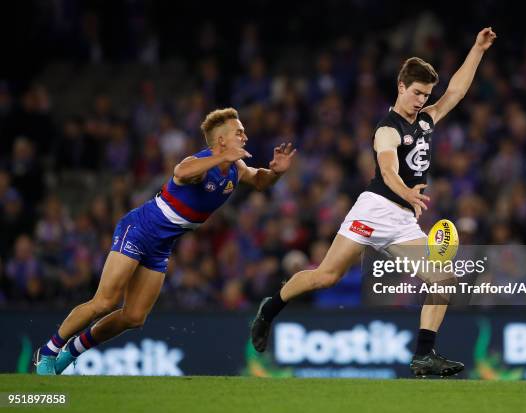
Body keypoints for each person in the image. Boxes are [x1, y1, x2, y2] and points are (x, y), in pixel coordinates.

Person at [251, 28, 497, 377]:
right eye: (416, 93)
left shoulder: (426, 119)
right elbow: (386, 167)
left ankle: (424, 354)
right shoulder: (388, 129)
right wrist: (407, 192)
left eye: (425, 94)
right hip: (375, 208)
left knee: (443, 279)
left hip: (402, 221)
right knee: (326, 276)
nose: (420, 100)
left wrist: (477, 49)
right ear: (401, 86)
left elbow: (456, 91)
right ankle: (270, 309)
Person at [34, 107, 296, 375]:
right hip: (139, 230)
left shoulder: (236, 168)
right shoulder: (201, 164)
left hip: (160, 246)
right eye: (239, 132)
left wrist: (277, 173)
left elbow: (260, 181)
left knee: (135, 317)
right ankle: (47, 352)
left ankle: (73, 350)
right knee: (104, 302)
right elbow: (181, 171)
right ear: (221, 141)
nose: (245, 136)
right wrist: (220, 158)